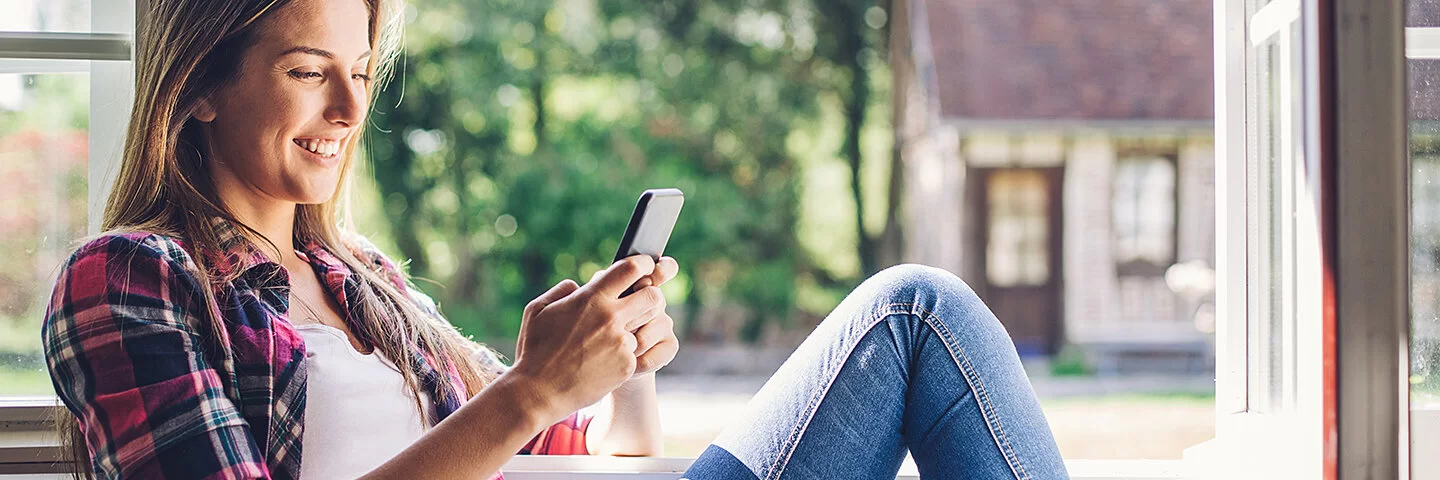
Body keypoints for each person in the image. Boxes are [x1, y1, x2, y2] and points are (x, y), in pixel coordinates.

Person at [40, 0, 1068, 478]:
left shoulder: (363, 284)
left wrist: (615, 362)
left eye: (363, 68)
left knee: (914, 315)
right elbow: (518, 418)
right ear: (202, 87)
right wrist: (527, 391)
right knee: (911, 310)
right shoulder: (131, 280)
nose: (353, 105)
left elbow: (595, 452)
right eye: (311, 69)